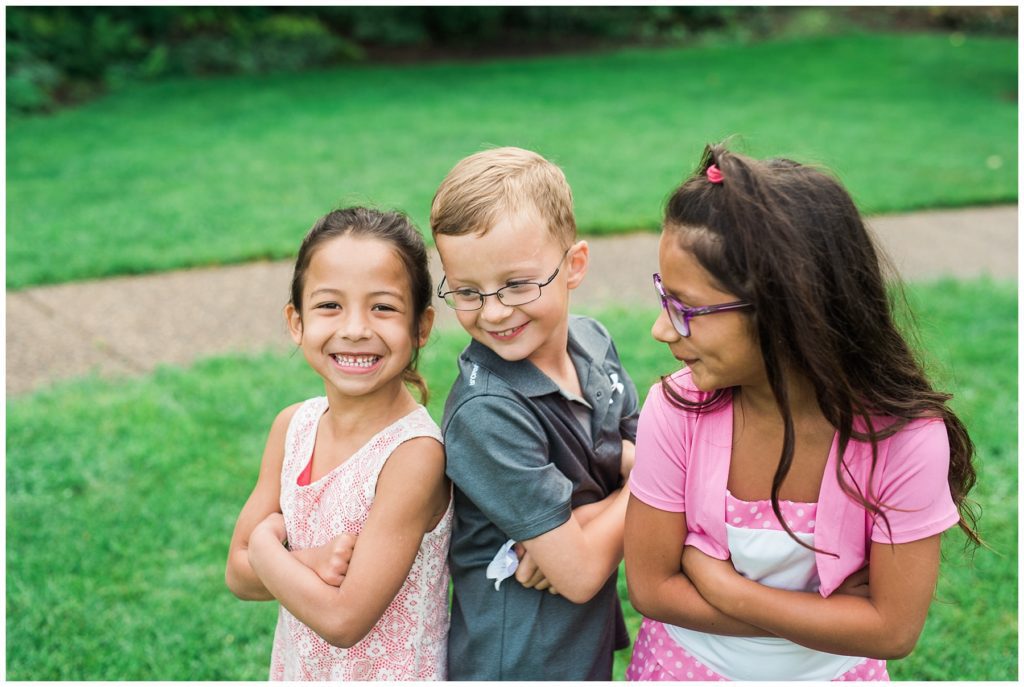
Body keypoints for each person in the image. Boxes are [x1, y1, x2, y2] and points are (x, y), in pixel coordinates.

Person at [624, 144, 980, 682]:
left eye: (686, 308)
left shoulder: (905, 439)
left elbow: (892, 632)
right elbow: (652, 590)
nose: (661, 329)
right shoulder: (677, 410)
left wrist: (725, 589)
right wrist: (839, 619)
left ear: (788, 308)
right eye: (663, 298)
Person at [430, 146, 640, 680]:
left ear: (574, 266)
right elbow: (581, 572)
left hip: (581, 645)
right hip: (519, 661)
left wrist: (587, 522)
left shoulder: (594, 343)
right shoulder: (485, 412)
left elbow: (648, 451)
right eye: (467, 292)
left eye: (518, 284)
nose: (494, 311)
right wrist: (649, 478)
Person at [225, 207, 452, 680]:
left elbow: (344, 619)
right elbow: (237, 576)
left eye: (383, 307)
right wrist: (304, 562)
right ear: (296, 321)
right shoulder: (293, 428)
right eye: (330, 305)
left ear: (421, 326)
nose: (354, 329)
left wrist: (266, 548)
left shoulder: (413, 455)